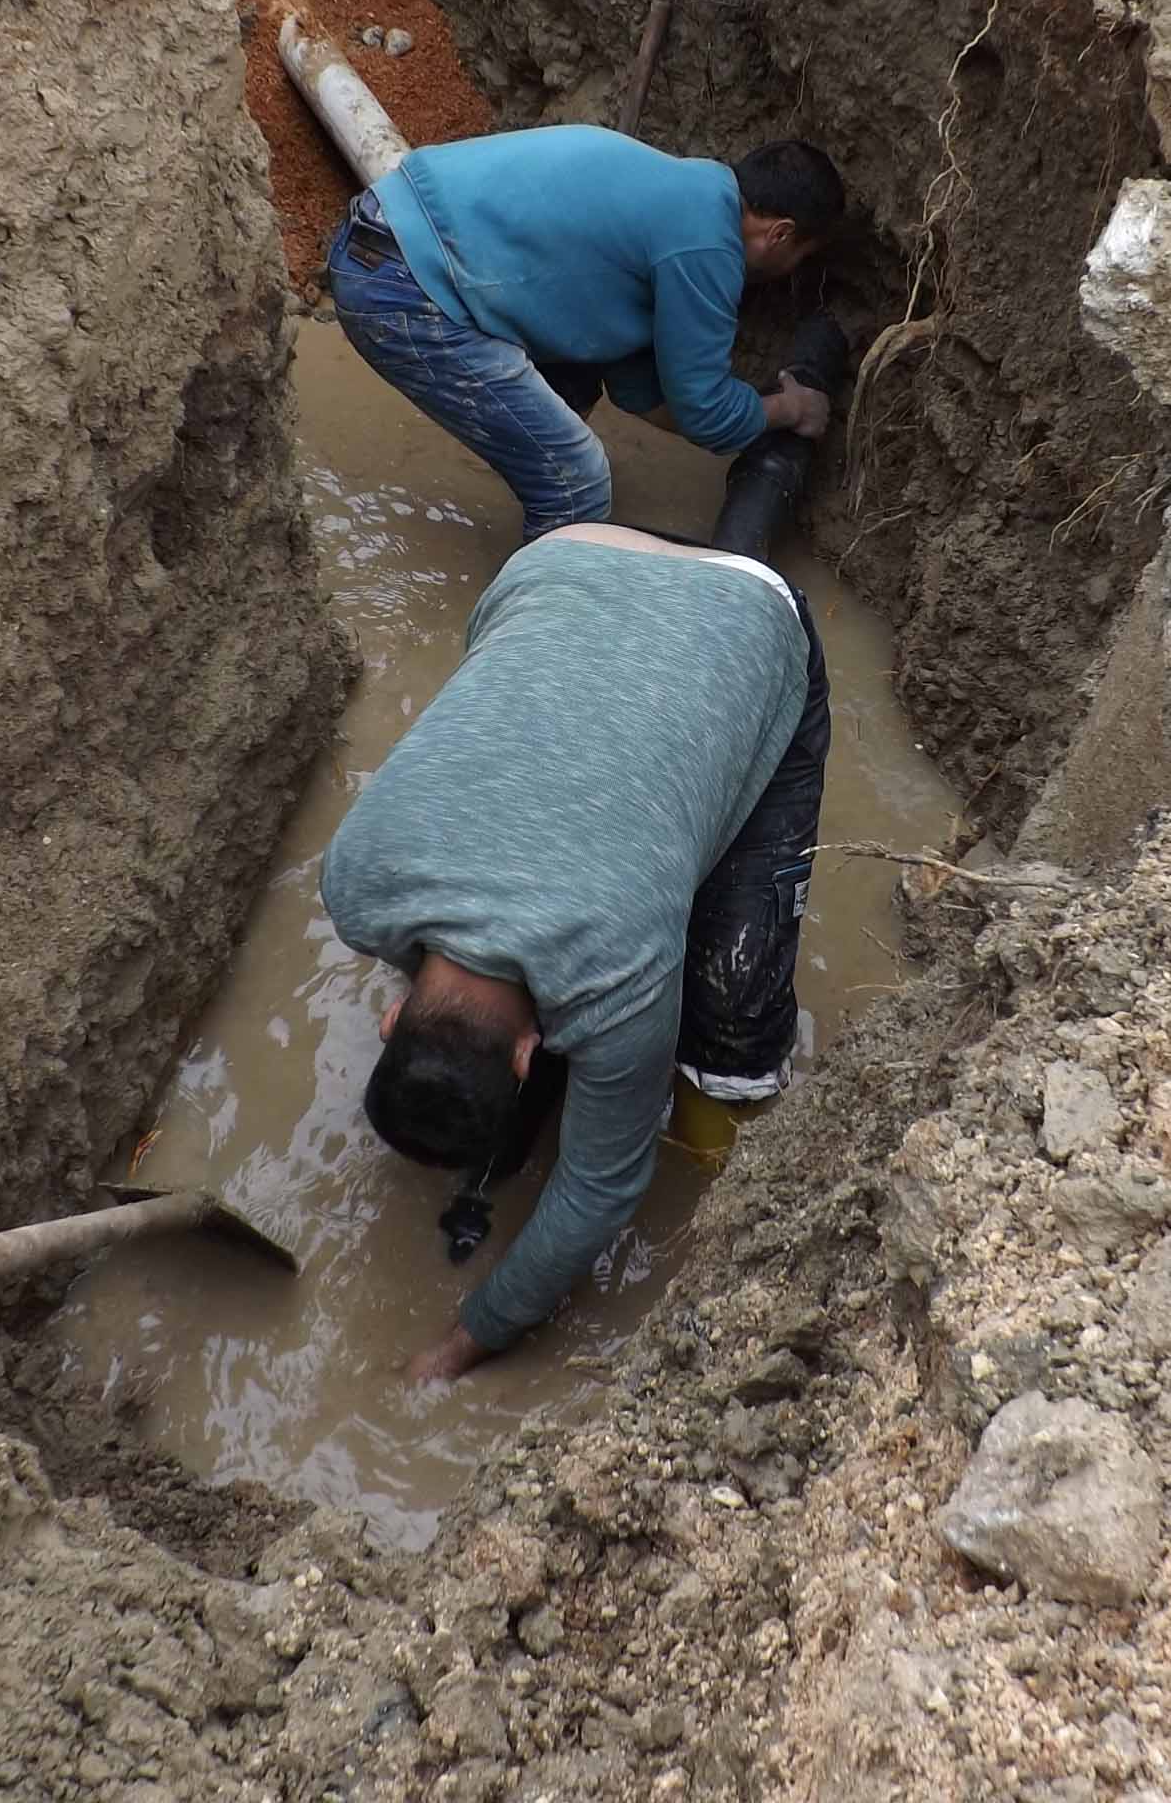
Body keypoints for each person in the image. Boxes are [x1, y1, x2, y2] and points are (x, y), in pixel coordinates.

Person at [319, 520, 832, 1381]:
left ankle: (729, 1098)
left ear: (530, 1053)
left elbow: (602, 1187)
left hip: (747, 615)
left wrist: (464, 1342)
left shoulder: (623, 974)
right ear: (392, 1016)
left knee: (733, 1014)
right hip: (557, 560)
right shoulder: (361, 882)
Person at [324, 126, 846, 536]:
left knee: (570, 390)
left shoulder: (684, 191)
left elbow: (649, 396)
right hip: (405, 287)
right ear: (780, 234)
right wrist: (790, 407)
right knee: (576, 481)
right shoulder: (707, 244)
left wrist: (732, 410)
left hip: (382, 239)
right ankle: (541, 651)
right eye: (800, 256)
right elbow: (704, 412)